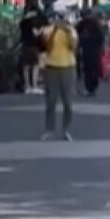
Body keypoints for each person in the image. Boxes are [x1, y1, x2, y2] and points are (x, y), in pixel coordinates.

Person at [40, 12, 77, 141]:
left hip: (68, 67)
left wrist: (67, 32)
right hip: (52, 66)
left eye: (62, 18)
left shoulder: (71, 31)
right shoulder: (48, 30)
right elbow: (47, 47)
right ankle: (49, 129)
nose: (60, 21)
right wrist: (55, 31)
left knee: (68, 101)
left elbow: (73, 46)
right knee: (51, 100)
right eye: (57, 18)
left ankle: (66, 129)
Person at [76, 10, 106, 97]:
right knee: (93, 68)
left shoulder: (83, 23)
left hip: (87, 49)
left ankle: (90, 88)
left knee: (88, 69)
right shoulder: (96, 24)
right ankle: (93, 86)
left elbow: (76, 32)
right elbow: (101, 37)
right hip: (95, 49)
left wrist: (80, 43)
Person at [18, 9, 44, 94]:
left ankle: (27, 86)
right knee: (35, 66)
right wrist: (41, 31)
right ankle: (34, 86)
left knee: (26, 67)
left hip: (24, 46)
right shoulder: (32, 22)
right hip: (33, 46)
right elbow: (35, 33)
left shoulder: (22, 23)